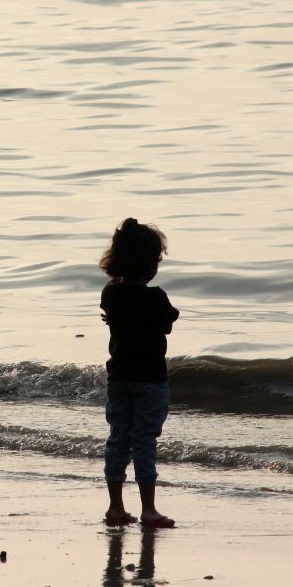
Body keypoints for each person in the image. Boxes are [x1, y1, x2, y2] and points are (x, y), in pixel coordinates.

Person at [98, 218, 180, 528]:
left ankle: (115, 507)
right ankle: (149, 509)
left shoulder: (111, 294)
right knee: (145, 442)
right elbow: (168, 323)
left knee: (118, 439)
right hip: (150, 380)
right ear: (150, 265)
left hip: (118, 378)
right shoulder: (155, 297)